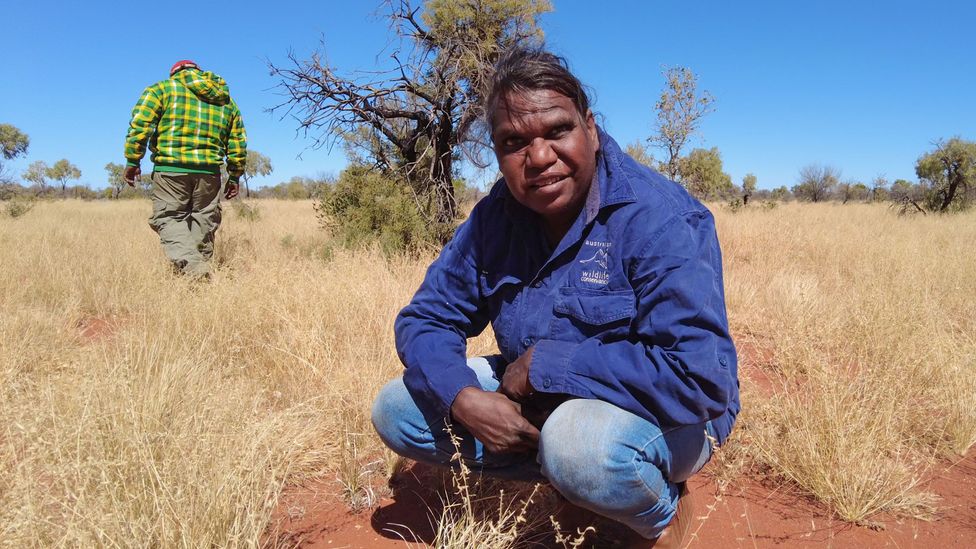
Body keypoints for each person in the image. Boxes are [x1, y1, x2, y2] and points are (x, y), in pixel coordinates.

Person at [372, 47, 739, 548]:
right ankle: (571, 480)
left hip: (666, 415)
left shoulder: (660, 218)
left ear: (589, 126)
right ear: (497, 153)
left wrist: (547, 365)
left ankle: (659, 514)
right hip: (542, 402)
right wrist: (464, 397)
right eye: (514, 141)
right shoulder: (494, 219)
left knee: (577, 444)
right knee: (398, 410)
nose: (539, 157)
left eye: (557, 130)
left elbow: (699, 379)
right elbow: (427, 318)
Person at [123, 60, 247, 278]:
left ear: (174, 73)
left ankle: (196, 271)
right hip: (210, 172)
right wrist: (235, 176)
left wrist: (133, 160)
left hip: (171, 168)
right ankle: (195, 281)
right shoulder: (226, 102)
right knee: (204, 219)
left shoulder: (161, 90)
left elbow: (140, 125)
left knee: (169, 217)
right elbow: (238, 141)